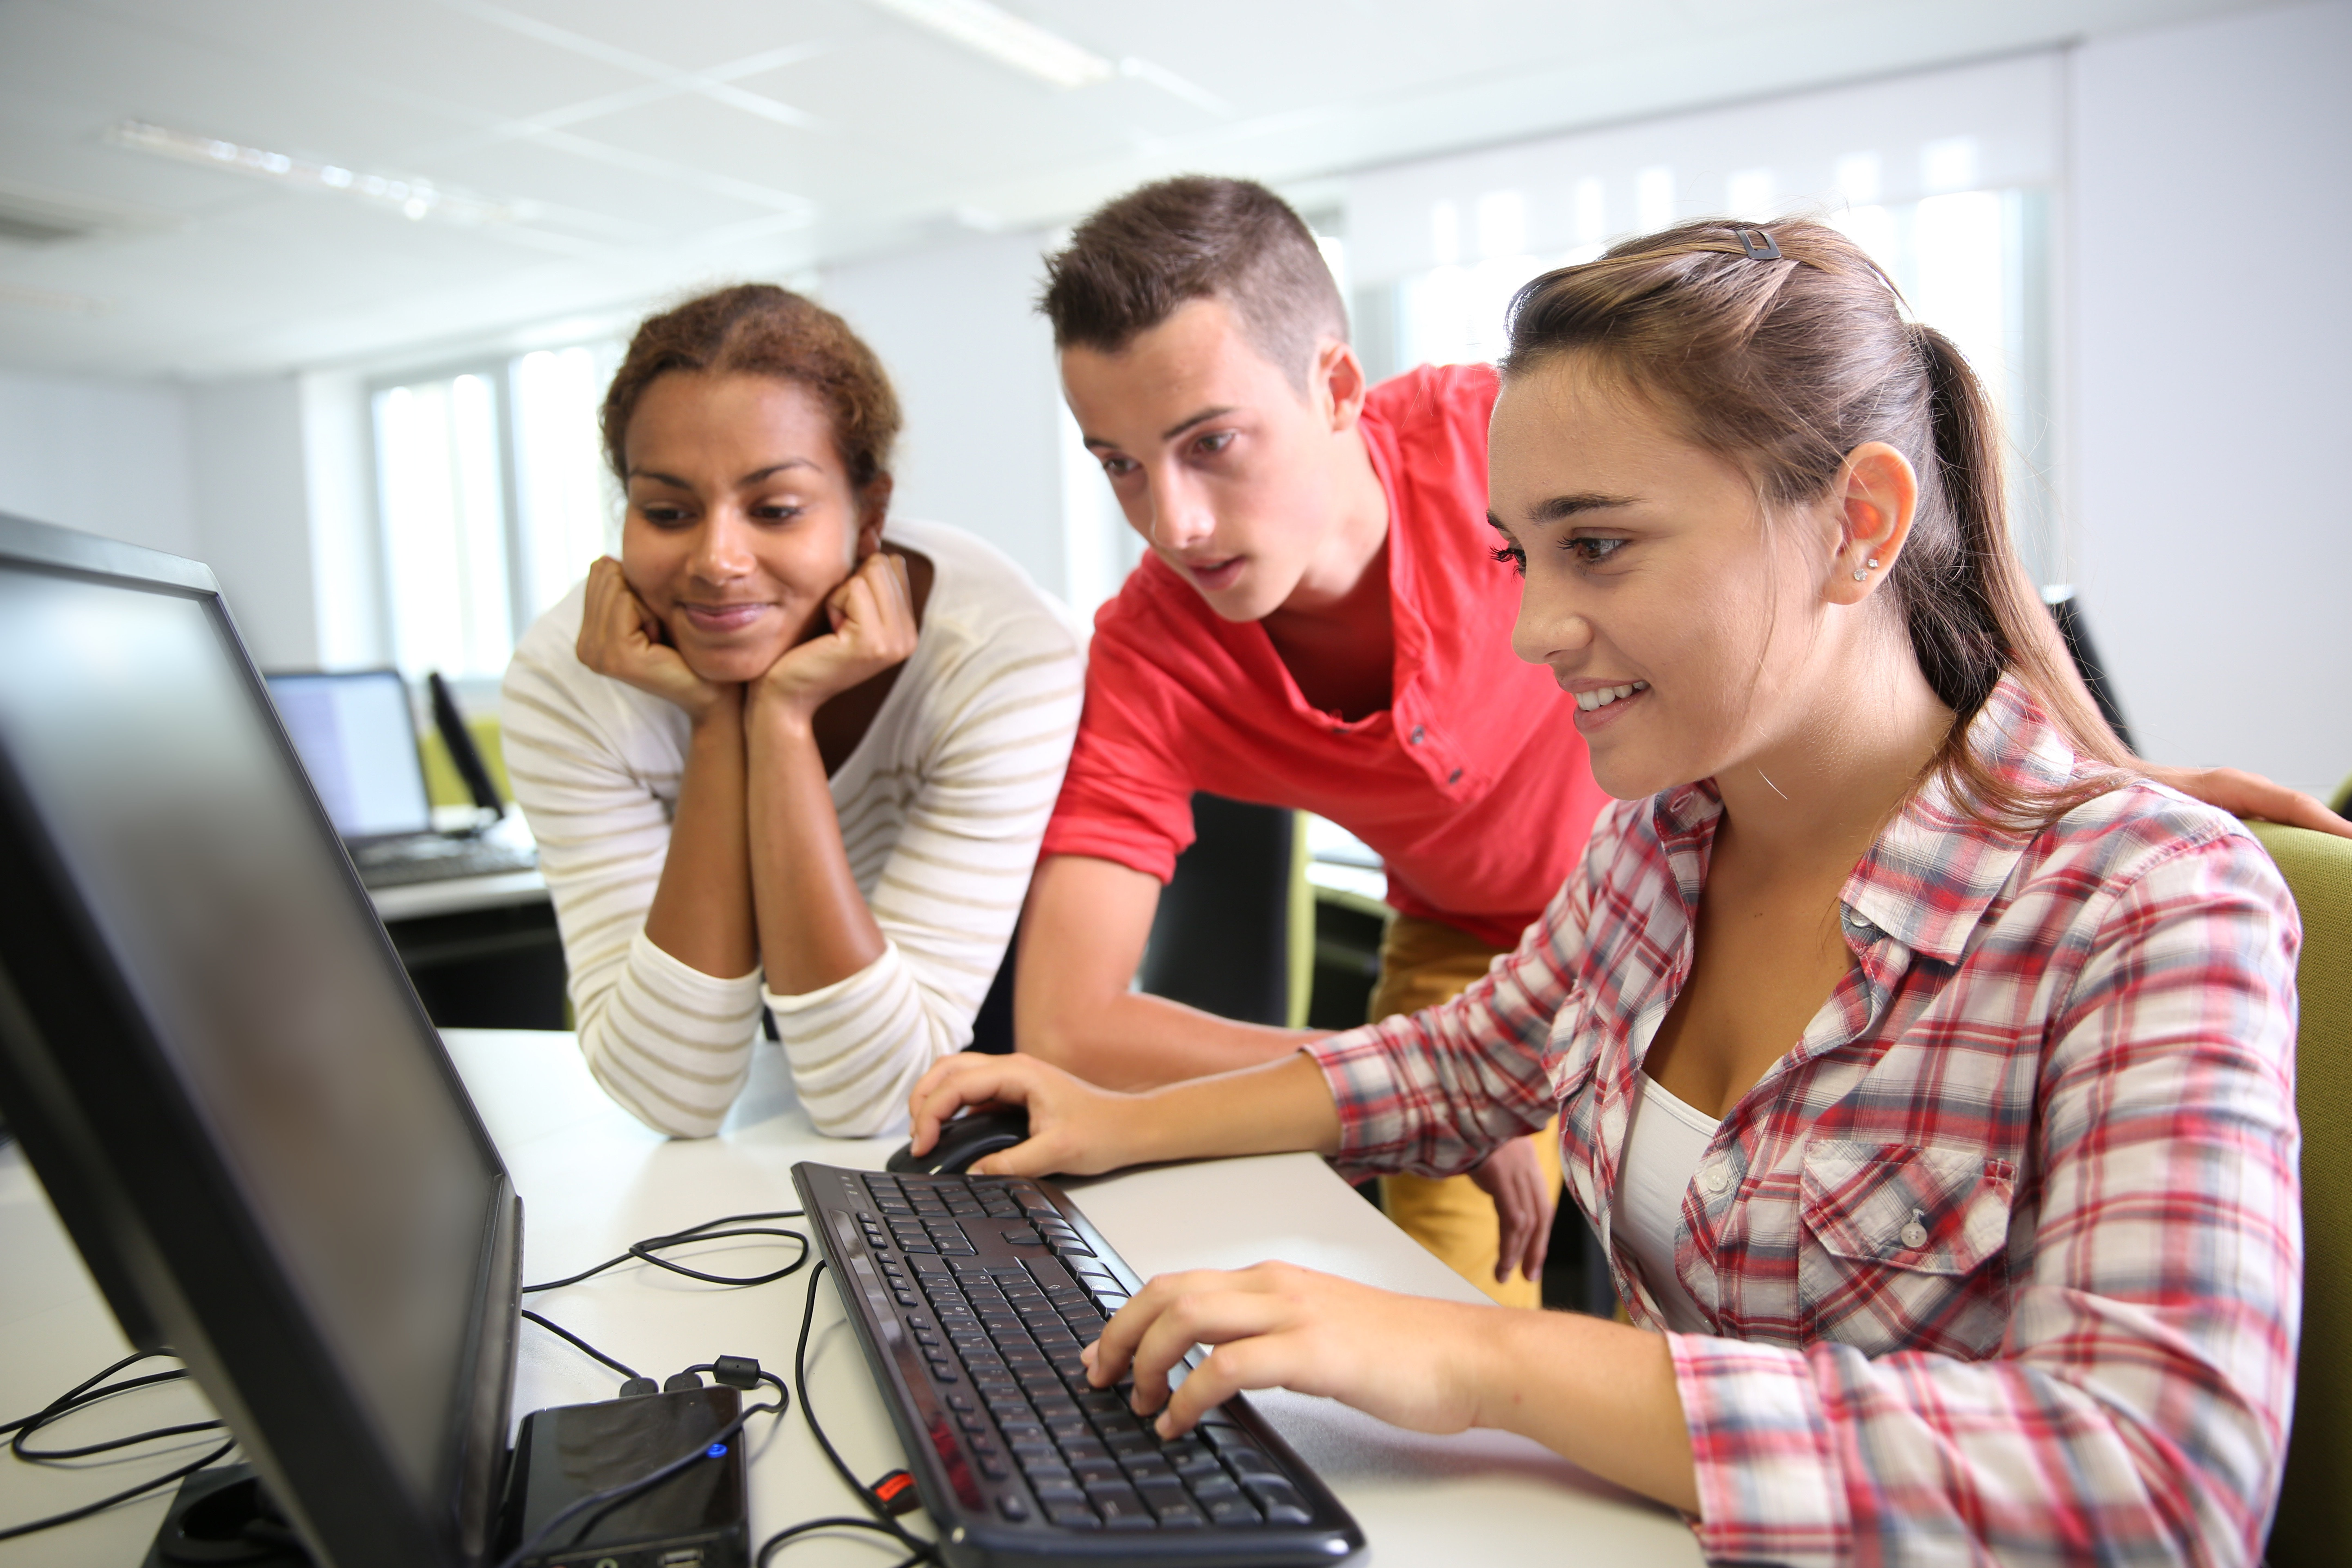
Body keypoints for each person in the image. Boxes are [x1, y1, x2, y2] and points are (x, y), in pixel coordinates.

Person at [913, 219, 2304, 1564]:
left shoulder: (2152, 905)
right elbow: (1461, 1058)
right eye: (1520, 555)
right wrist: (1116, 1122)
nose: (1528, 630)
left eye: (1600, 546)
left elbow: (2158, 1489)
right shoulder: (1664, 840)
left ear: (1859, 525)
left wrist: (1491, 1357)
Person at [502, 284, 1083, 1138]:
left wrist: (779, 720)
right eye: (666, 512)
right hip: (774, 1042)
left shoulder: (1000, 654)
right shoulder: (568, 681)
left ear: (869, 516)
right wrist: (719, 726)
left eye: (775, 510)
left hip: (994, 1050)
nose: (717, 560)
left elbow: (883, 1103)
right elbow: (668, 1098)